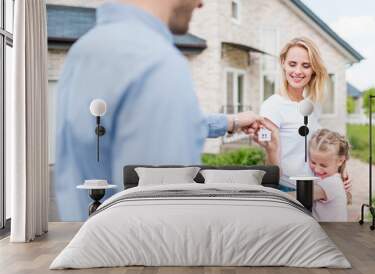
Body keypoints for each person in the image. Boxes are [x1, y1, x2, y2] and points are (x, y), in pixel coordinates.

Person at [55, 0, 267, 221]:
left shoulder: (84, 50)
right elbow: (163, 217)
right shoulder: (157, 64)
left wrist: (230, 122)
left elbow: (142, 126)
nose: (201, 4)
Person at [254, 37, 351, 193]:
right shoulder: (272, 107)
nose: (298, 71)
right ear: (283, 64)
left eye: (306, 66)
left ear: (313, 70)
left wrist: (339, 170)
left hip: (316, 188)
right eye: (292, 64)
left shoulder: (313, 104)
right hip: (288, 190)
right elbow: (270, 161)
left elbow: (320, 149)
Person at [309, 129, 351, 221]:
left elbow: (300, 196)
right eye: (313, 162)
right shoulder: (325, 178)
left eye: (323, 165)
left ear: (340, 161)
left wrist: (271, 194)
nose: (316, 169)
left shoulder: (332, 183)